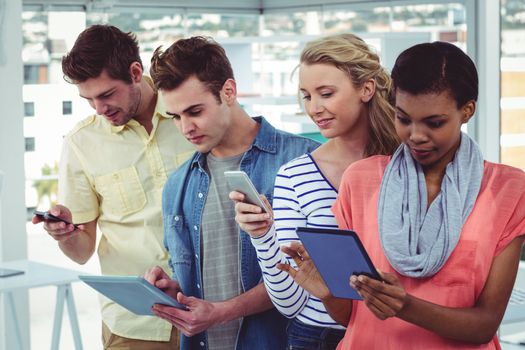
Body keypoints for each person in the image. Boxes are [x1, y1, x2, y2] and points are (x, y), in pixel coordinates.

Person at [281, 41, 525, 349]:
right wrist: (329, 293)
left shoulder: (507, 189)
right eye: (404, 119)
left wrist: (406, 306)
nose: (416, 135)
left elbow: (484, 325)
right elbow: (354, 318)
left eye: (434, 122)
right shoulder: (361, 180)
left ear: (467, 111)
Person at [143, 36, 320, 350]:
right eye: (176, 117)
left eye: (194, 111)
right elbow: (194, 276)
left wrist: (220, 313)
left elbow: (313, 276)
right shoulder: (177, 184)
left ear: (228, 91)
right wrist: (172, 292)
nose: (185, 128)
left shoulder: (304, 162)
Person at [31, 24, 195, 349]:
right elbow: (82, 252)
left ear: (136, 72)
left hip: (212, 308)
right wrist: (66, 235)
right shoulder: (82, 143)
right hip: (136, 325)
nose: (99, 109)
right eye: (88, 99)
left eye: (106, 94)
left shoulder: (190, 115)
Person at [231, 33, 399, 349]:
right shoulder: (295, 176)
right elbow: (289, 303)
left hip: (399, 331)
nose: (314, 108)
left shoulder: (407, 164)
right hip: (318, 337)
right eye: (306, 96)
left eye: (326, 93)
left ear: (366, 88)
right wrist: (263, 236)